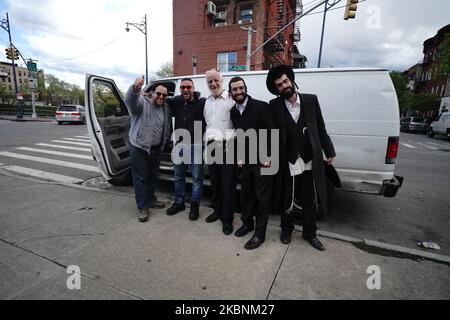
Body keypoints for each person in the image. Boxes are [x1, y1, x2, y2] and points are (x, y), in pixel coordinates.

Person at [266, 65, 336, 251]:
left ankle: (310, 233)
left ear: (291, 80)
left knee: (309, 198)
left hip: (308, 159)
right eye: (279, 85)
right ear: (277, 89)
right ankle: (286, 229)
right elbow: (271, 133)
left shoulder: (311, 101)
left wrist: (329, 150)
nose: (283, 86)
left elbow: (320, 128)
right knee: (286, 198)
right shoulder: (274, 105)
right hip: (286, 159)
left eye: (285, 81)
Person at [229, 77, 275, 250]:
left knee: (262, 198)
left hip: (264, 159)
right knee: (246, 194)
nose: (238, 92)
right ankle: (247, 224)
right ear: (231, 92)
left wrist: (269, 155)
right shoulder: (234, 111)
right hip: (246, 160)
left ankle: (259, 234)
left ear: (245, 88)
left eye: (241, 88)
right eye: (235, 89)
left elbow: (272, 131)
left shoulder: (261, 106)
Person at [125, 75, 172, 223]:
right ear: (152, 93)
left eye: (164, 95)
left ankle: (151, 199)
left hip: (156, 148)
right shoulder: (141, 103)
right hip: (139, 147)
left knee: (152, 176)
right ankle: (142, 207)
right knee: (140, 178)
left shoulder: (165, 107)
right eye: (158, 93)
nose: (161, 96)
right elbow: (130, 101)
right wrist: (135, 88)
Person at [166, 78, 206, 221]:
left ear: (193, 88)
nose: (185, 89)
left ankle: (195, 205)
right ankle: (179, 202)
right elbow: (160, 98)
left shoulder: (202, 102)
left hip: (196, 145)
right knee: (178, 177)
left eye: (188, 87)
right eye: (182, 87)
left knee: (197, 178)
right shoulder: (175, 101)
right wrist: (148, 95)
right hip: (180, 145)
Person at [203, 69, 236, 235]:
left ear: (222, 81)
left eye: (216, 80)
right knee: (215, 182)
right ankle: (217, 210)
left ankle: (227, 218)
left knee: (228, 185)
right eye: (210, 82)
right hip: (211, 145)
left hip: (228, 146)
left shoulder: (231, 98)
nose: (213, 84)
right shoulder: (207, 101)